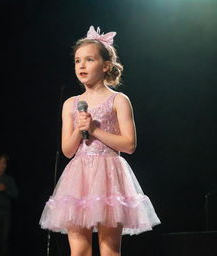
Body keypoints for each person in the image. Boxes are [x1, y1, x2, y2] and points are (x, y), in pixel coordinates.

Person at [40, 26, 161, 256]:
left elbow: (129, 144)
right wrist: (80, 127)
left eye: (89, 59)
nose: (82, 66)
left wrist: (95, 129)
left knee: (109, 250)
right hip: (79, 176)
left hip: (109, 175)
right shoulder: (71, 104)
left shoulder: (119, 100)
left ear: (105, 65)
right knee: (79, 251)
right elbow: (67, 150)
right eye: (77, 61)